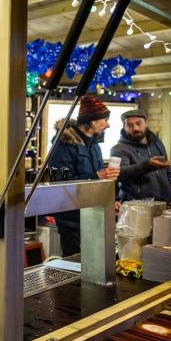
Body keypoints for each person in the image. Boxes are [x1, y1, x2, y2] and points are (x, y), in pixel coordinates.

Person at [50, 96, 120, 257]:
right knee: (74, 265)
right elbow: (60, 182)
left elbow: (98, 181)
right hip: (71, 218)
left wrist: (108, 199)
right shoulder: (63, 144)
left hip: (92, 215)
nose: (107, 125)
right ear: (91, 121)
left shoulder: (95, 146)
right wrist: (97, 175)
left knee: (95, 263)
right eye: (104, 119)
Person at [111, 110, 171, 203]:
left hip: (165, 202)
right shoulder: (119, 149)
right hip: (136, 205)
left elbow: (167, 171)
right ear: (124, 127)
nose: (135, 128)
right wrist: (147, 165)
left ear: (146, 123)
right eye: (130, 125)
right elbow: (119, 174)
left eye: (138, 123)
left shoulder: (157, 143)